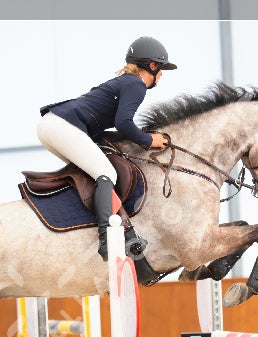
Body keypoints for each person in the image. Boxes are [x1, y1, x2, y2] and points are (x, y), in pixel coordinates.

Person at [37, 36, 177, 260]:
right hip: (62, 126)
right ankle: (107, 241)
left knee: (93, 173)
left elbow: (116, 126)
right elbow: (124, 123)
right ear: (152, 66)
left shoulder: (124, 81)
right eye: (161, 69)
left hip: (52, 125)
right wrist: (149, 140)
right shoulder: (136, 84)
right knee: (106, 173)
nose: (161, 75)